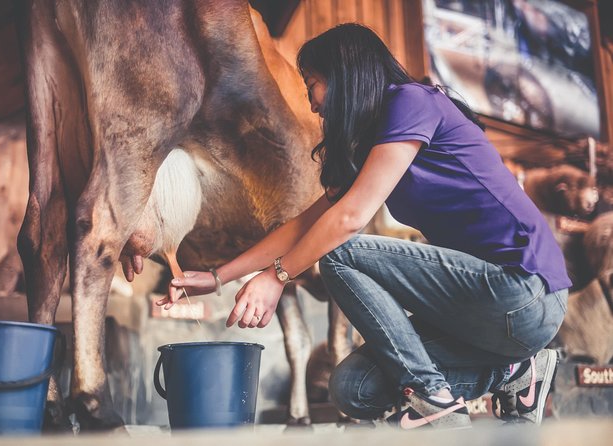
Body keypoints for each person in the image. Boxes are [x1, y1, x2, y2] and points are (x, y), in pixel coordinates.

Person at [156, 23, 570, 429]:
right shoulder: (375, 142)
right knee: (353, 388)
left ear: (345, 76)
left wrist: (277, 276)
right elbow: (304, 224)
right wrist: (218, 276)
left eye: (313, 84)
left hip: (524, 290)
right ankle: (518, 373)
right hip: (482, 313)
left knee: (337, 249)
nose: (312, 103)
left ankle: (430, 398)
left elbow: (347, 220)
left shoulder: (411, 101)